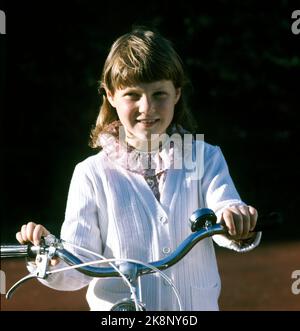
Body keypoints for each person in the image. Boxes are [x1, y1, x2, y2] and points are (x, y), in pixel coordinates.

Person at [16, 27, 261, 311]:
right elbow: (78, 267)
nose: (147, 107)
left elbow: (223, 207)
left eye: (159, 93)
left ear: (177, 93)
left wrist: (235, 216)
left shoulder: (204, 158)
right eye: (133, 94)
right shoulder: (91, 174)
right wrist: (47, 253)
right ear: (110, 96)